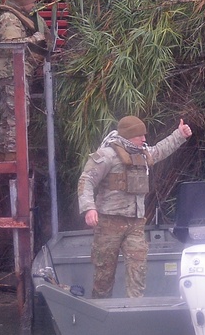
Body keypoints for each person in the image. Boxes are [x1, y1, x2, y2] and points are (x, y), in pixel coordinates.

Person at [77, 115, 194, 298]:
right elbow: (86, 180)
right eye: (140, 136)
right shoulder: (107, 155)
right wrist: (89, 208)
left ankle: (135, 308)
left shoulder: (142, 153)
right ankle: (100, 309)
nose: (144, 139)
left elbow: (160, 150)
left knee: (138, 269)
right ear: (129, 136)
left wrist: (179, 135)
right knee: (104, 275)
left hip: (135, 224)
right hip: (109, 224)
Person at [0, 0, 50, 161]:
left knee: (10, 116)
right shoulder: (9, 18)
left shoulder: (15, 16)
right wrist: (35, 38)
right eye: (31, 2)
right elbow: (11, 45)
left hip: (12, 71)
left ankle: (2, 156)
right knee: (18, 115)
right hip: (12, 71)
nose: (33, 6)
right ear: (23, 2)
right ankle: (13, 158)